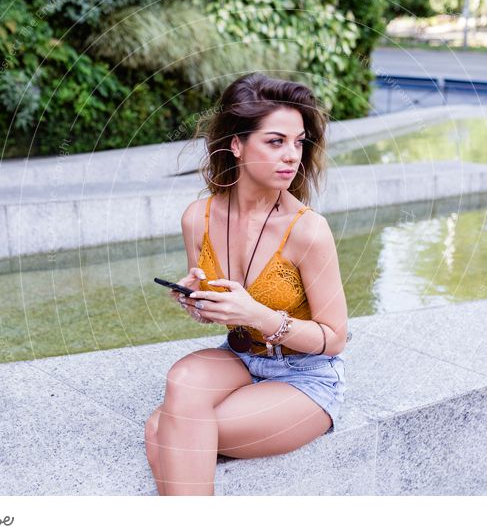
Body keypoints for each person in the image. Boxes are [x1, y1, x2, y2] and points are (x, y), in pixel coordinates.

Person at [145, 72, 349, 496]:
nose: (291, 155)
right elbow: (218, 309)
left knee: (169, 428)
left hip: (305, 375)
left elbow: (334, 339)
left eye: (298, 142)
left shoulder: (307, 230)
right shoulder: (197, 217)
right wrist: (198, 302)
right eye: (275, 141)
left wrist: (258, 315)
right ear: (237, 144)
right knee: (181, 383)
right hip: (239, 356)